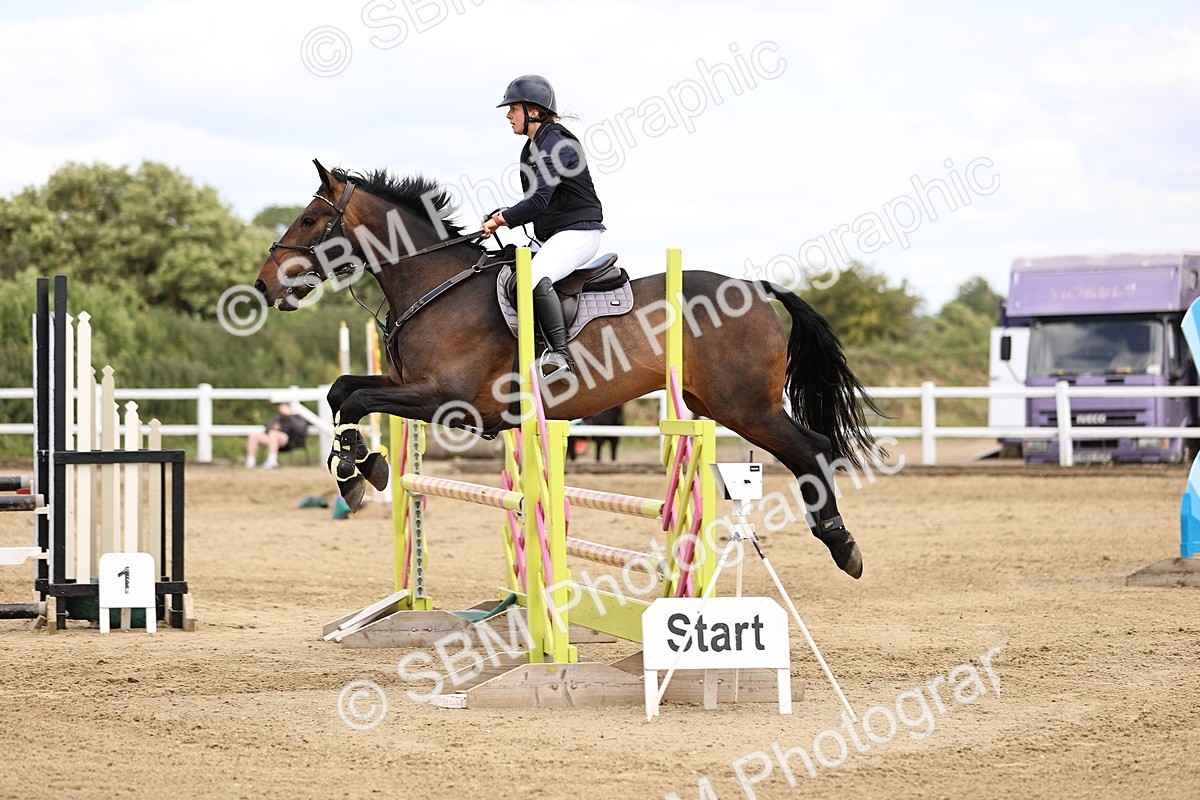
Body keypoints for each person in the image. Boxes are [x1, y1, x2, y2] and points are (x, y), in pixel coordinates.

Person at [480, 74, 605, 382]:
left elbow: (538, 201)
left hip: (579, 232)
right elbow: (538, 204)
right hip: (552, 233)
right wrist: (503, 215)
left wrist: (501, 219)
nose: (509, 116)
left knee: (533, 278)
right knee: (503, 270)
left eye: (513, 109)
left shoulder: (557, 143)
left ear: (533, 111)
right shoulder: (531, 148)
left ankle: (560, 356)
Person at [245, 403, 308, 469]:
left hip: (288, 441)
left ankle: (272, 461)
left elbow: (301, 430)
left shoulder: (295, 418)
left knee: (273, 433)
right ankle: (250, 462)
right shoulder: (277, 418)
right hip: (272, 440)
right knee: (254, 435)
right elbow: (267, 429)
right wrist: (273, 427)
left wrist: (289, 415)